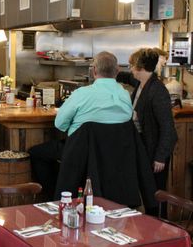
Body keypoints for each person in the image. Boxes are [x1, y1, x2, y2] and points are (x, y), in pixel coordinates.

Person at [29, 51, 133, 198]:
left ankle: (57, 197)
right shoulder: (125, 95)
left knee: (37, 153)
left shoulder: (82, 93)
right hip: (114, 154)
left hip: (80, 153)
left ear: (94, 71)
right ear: (117, 71)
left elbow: (59, 123)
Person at [124, 48, 177, 215]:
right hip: (145, 146)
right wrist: (112, 73)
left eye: (132, 66)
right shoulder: (141, 83)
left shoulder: (157, 90)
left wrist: (160, 157)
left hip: (155, 150)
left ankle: (161, 226)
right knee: (147, 192)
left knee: (155, 194)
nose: (130, 69)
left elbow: (167, 127)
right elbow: (127, 77)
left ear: (140, 68)